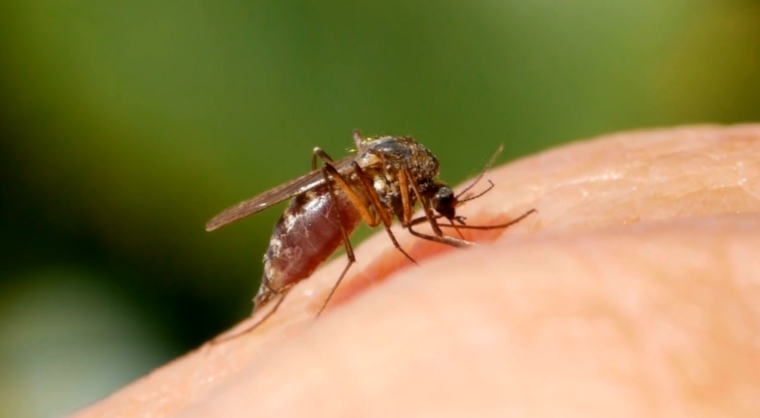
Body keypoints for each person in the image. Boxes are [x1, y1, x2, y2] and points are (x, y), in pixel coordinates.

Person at [72, 125, 760, 417]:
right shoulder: (395, 181)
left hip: (350, 199)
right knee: (341, 190)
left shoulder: (416, 180)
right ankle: (283, 298)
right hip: (323, 213)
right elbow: (377, 184)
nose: (436, 213)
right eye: (436, 209)